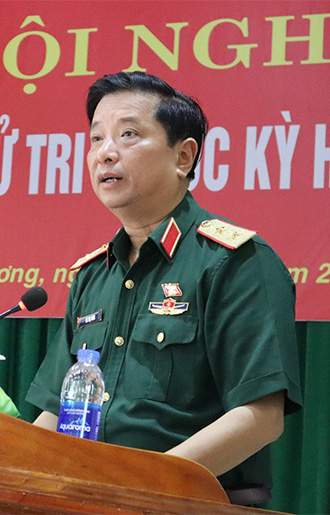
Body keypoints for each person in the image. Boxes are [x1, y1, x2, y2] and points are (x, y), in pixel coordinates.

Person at [25, 71, 302, 504]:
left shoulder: (234, 262)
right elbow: (55, 413)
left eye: (128, 134)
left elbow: (260, 417)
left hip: (187, 504)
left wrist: (142, 489)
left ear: (183, 157)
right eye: (96, 138)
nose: (105, 153)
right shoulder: (93, 275)